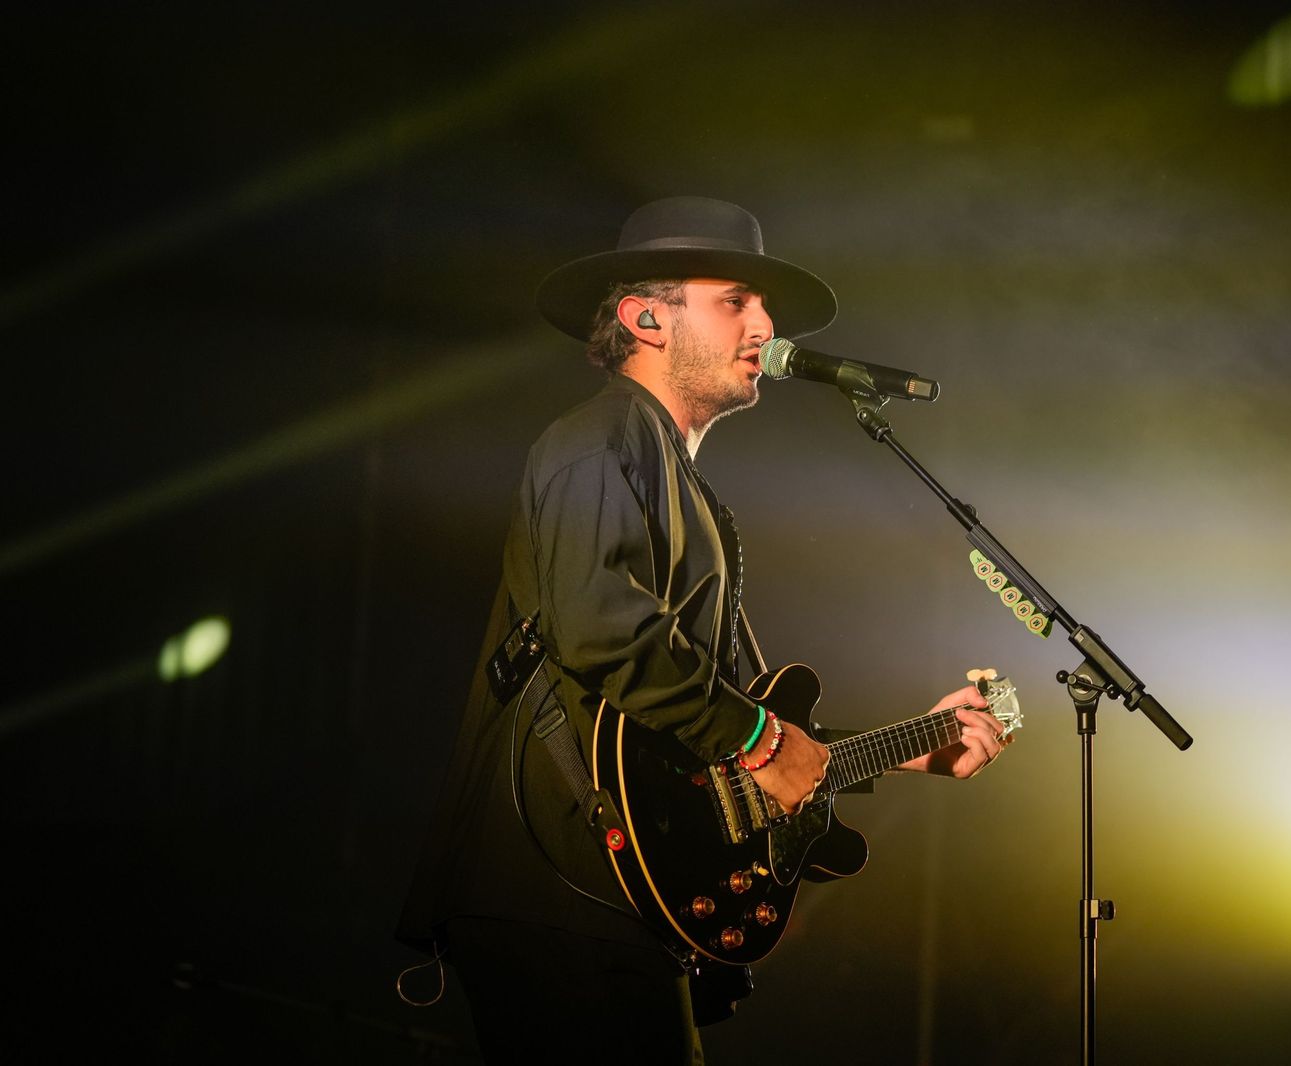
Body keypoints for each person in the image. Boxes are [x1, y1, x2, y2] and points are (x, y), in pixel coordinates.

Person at [397, 196, 1012, 1063]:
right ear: (645, 317)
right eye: (735, 299)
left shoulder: (685, 490)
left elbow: (708, 718)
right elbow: (602, 627)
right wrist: (762, 739)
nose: (765, 323)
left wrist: (898, 746)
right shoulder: (599, 439)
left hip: (612, 889)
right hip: (555, 880)